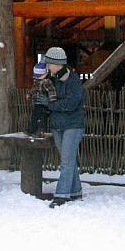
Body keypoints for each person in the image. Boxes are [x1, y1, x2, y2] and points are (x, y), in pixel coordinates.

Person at [33, 46, 85, 208]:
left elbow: (71, 104)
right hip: (57, 125)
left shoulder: (73, 80)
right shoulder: (52, 80)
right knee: (68, 161)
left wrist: (49, 105)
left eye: (49, 63)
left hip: (73, 125)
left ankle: (61, 195)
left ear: (58, 64)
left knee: (66, 162)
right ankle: (76, 191)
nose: (47, 66)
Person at [26, 61, 56, 136]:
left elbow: (51, 91)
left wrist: (52, 100)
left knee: (42, 118)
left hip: (44, 104)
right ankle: (32, 130)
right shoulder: (36, 82)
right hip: (37, 103)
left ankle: (41, 131)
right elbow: (33, 89)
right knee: (34, 116)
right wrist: (29, 94)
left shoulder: (46, 82)